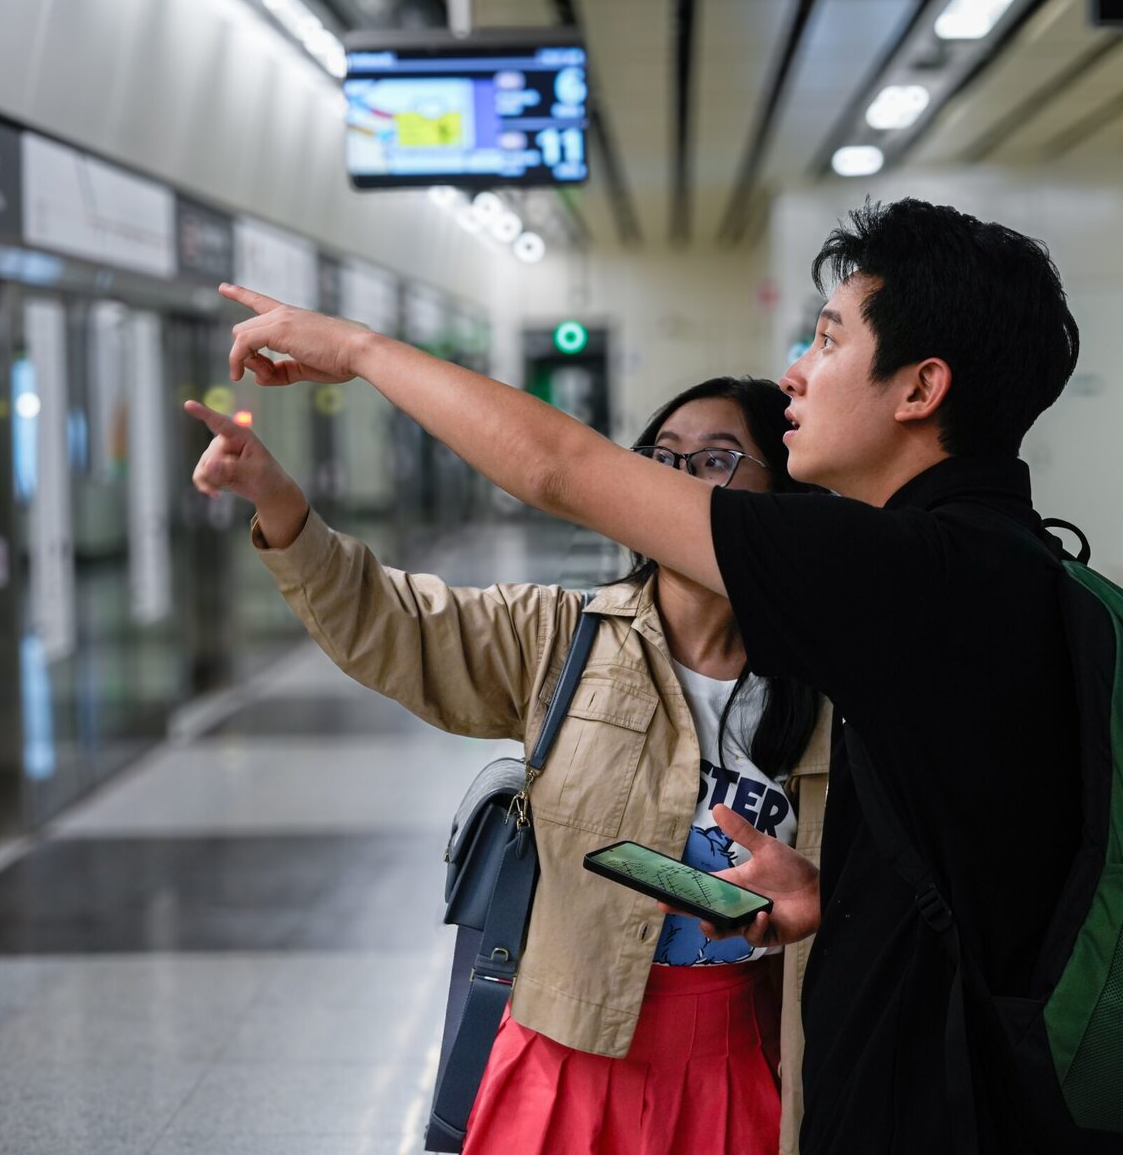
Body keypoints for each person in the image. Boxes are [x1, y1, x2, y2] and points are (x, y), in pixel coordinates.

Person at [199, 196, 1087, 1153]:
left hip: (803, 1079)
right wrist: (838, 894)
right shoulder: (1023, 578)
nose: (799, 373)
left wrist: (361, 350)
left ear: (919, 389)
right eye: (661, 464)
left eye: (827, 340)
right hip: (603, 1059)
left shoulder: (873, 592)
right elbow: (973, 874)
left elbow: (555, 467)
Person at [185, 375, 832, 1155]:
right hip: (565, 1055)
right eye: (660, 457)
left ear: (782, 490)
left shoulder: (827, 685)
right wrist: (279, 501)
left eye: (715, 460)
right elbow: (394, 626)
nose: (675, 480)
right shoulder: (562, 637)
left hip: (744, 1063)